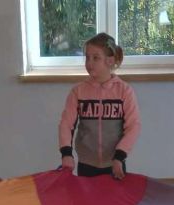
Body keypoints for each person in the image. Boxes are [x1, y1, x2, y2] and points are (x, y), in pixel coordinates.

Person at [58, 33, 141, 179]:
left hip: (115, 164)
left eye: (96, 58)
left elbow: (134, 126)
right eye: (87, 57)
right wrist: (66, 154)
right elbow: (66, 124)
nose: (89, 63)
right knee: (88, 202)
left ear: (110, 61)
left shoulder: (124, 91)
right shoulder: (78, 91)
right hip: (86, 164)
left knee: (114, 201)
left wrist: (119, 156)